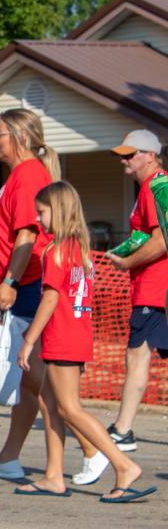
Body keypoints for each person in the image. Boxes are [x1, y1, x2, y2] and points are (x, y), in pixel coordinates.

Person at [16, 181, 156, 502]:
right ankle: (54, 476)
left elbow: (51, 298)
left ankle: (123, 466)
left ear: (60, 210)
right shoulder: (79, 247)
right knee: (48, 403)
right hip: (76, 334)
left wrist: (29, 341)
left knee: (69, 408)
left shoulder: (55, 251)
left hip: (62, 336)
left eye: (42, 212)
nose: (39, 219)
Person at [0, 108, 61, 480]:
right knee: (31, 379)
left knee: (38, 378)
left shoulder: (29, 175)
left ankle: (94, 450)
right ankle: (9, 458)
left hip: (28, 285)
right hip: (25, 284)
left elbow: (27, 236)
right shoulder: (19, 175)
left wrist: (9, 283)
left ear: (21, 137)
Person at [105, 129, 168, 452]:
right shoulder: (152, 187)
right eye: (123, 155)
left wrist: (127, 263)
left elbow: (160, 241)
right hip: (155, 288)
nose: (125, 161)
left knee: (137, 354)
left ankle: (123, 429)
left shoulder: (155, 186)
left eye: (131, 155)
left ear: (151, 155)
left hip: (155, 289)